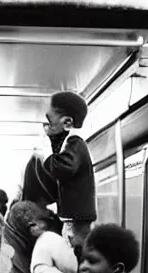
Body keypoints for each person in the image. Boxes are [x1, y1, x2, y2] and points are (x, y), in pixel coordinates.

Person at [42, 90, 97, 247]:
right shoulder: (70, 143)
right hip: (75, 218)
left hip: (78, 221)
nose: (45, 126)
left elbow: (62, 169)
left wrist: (45, 153)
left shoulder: (75, 142)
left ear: (67, 123)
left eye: (49, 121)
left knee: (76, 255)